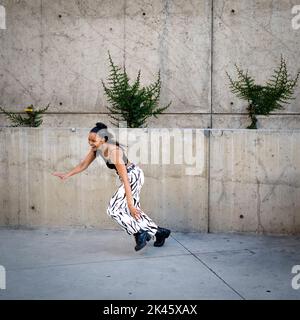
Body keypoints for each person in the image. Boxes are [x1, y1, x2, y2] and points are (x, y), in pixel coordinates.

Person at [52, 122, 171, 251]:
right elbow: (83, 165)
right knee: (133, 212)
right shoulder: (97, 149)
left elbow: (125, 179)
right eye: (89, 140)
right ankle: (159, 233)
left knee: (113, 210)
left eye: (93, 140)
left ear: (103, 139)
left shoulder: (114, 151)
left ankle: (139, 233)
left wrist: (130, 204)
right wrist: (66, 175)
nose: (90, 143)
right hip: (129, 177)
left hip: (133, 176)